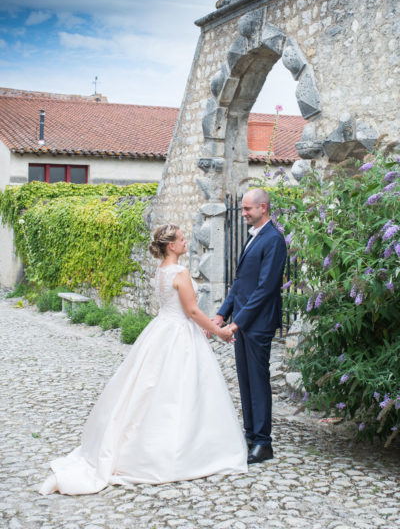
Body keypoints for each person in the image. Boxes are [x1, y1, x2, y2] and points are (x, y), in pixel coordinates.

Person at [39, 224, 247, 495]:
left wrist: (203, 324)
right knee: (180, 391)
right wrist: (218, 330)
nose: (186, 242)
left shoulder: (161, 271)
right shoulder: (180, 272)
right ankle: (181, 451)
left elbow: (183, 310)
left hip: (162, 330)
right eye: (182, 239)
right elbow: (193, 311)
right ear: (171, 245)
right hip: (179, 335)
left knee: (151, 390)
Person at [213, 189, 287, 465]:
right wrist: (222, 315)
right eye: (242, 209)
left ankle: (263, 443)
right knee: (244, 381)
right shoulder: (253, 237)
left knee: (257, 381)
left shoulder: (274, 240)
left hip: (258, 323)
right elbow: (241, 283)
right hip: (244, 321)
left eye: (247, 209)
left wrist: (237, 322)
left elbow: (265, 288)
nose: (243, 213)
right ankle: (249, 435)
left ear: (263, 208)